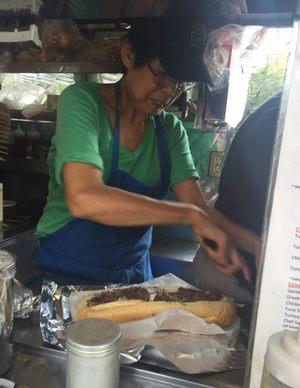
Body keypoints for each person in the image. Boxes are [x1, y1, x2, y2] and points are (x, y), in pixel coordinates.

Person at [36, 19, 257, 285]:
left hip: (133, 281)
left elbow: (198, 206)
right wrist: (188, 215)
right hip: (67, 276)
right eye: (163, 74)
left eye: (179, 82)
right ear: (128, 54)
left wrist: (255, 245)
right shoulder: (82, 102)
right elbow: (84, 197)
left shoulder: (170, 130)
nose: (169, 91)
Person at [192, 93, 281, 302]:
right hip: (234, 273)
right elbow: (194, 205)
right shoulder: (280, 119)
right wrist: (256, 244)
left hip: (240, 265)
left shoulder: (276, 109)